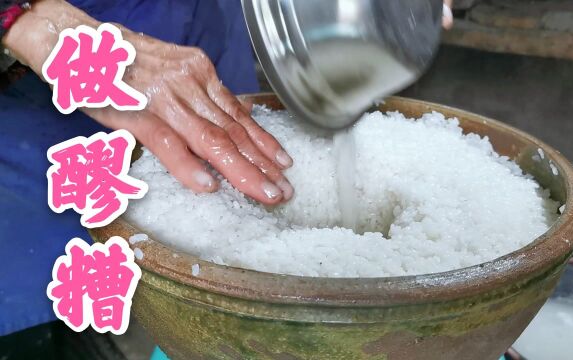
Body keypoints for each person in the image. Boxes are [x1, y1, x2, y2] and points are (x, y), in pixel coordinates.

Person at [0, 0, 454, 353]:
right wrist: (30, 19)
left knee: (218, 271)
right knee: (47, 297)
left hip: (198, 36)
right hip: (38, 87)